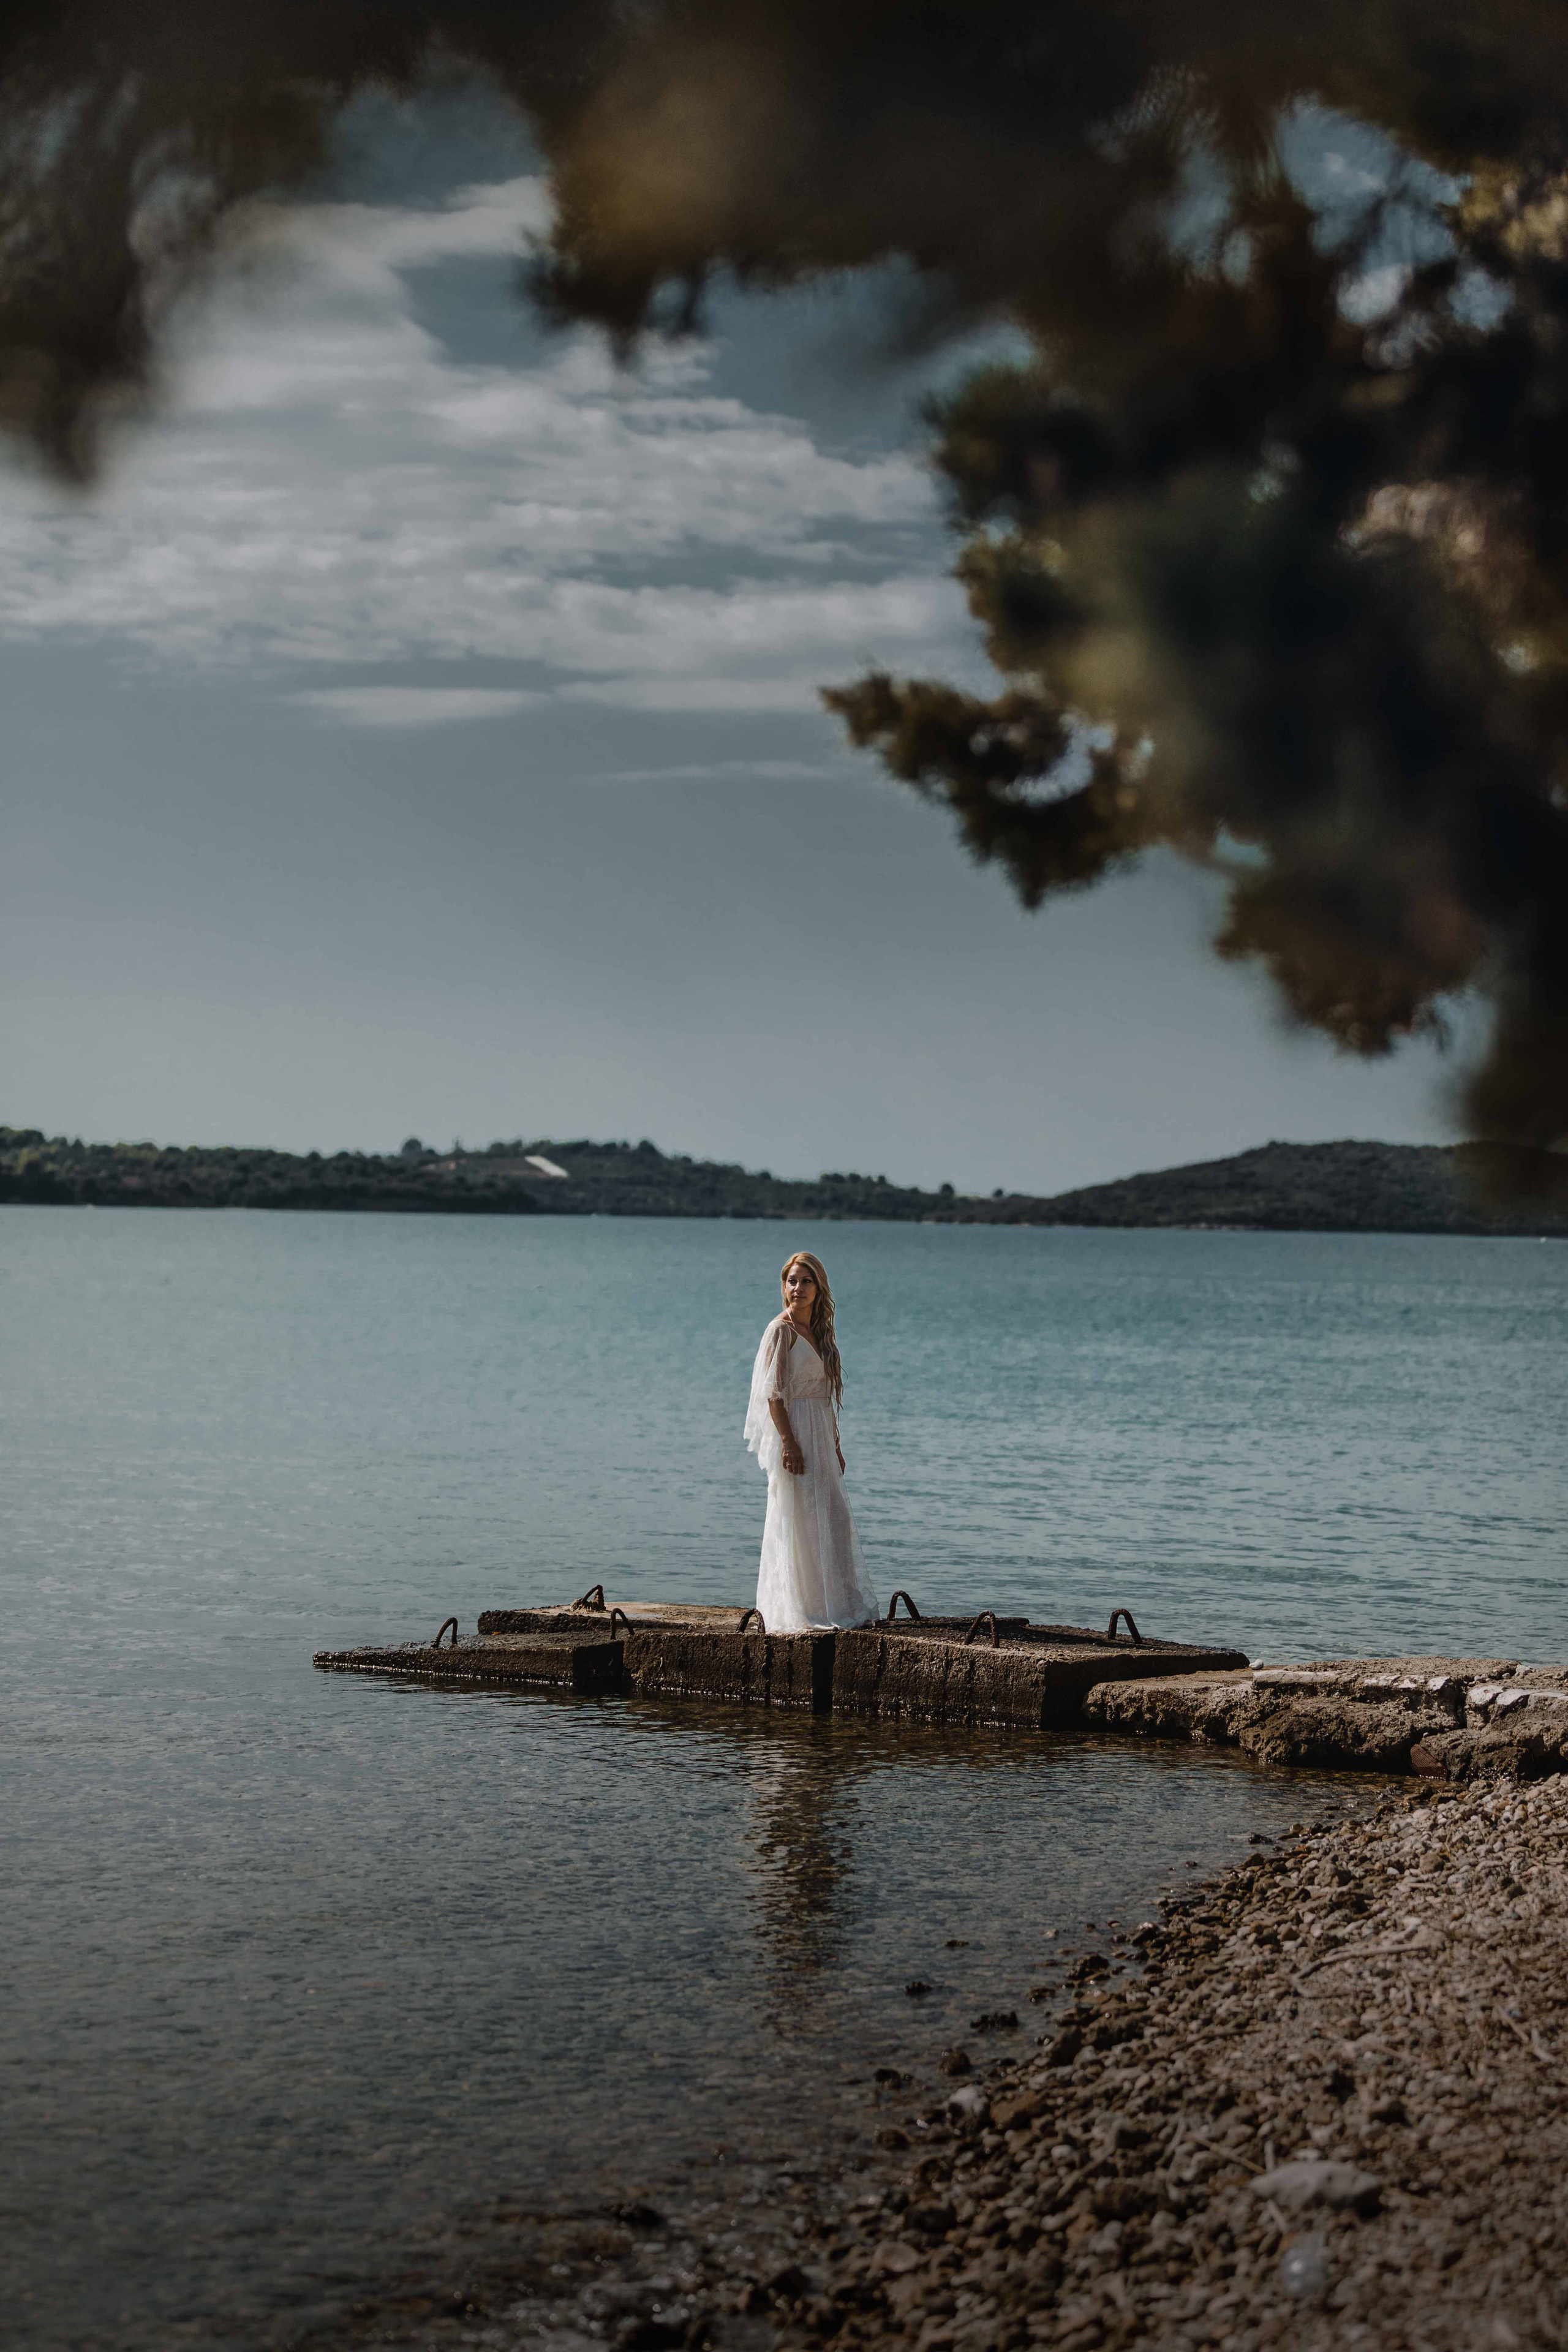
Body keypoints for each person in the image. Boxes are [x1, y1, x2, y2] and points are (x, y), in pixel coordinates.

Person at [743, 1251, 879, 1633]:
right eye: (792, 1281)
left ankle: (838, 1602)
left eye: (805, 1281)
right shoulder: (781, 1330)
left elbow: (825, 1395)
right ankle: (798, 1608)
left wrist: (836, 1445)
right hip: (796, 1431)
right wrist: (788, 1443)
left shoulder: (821, 1332)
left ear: (819, 1288)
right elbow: (774, 1395)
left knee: (832, 1517)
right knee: (798, 1517)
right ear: (784, 1287)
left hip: (820, 1429)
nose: (797, 1288)